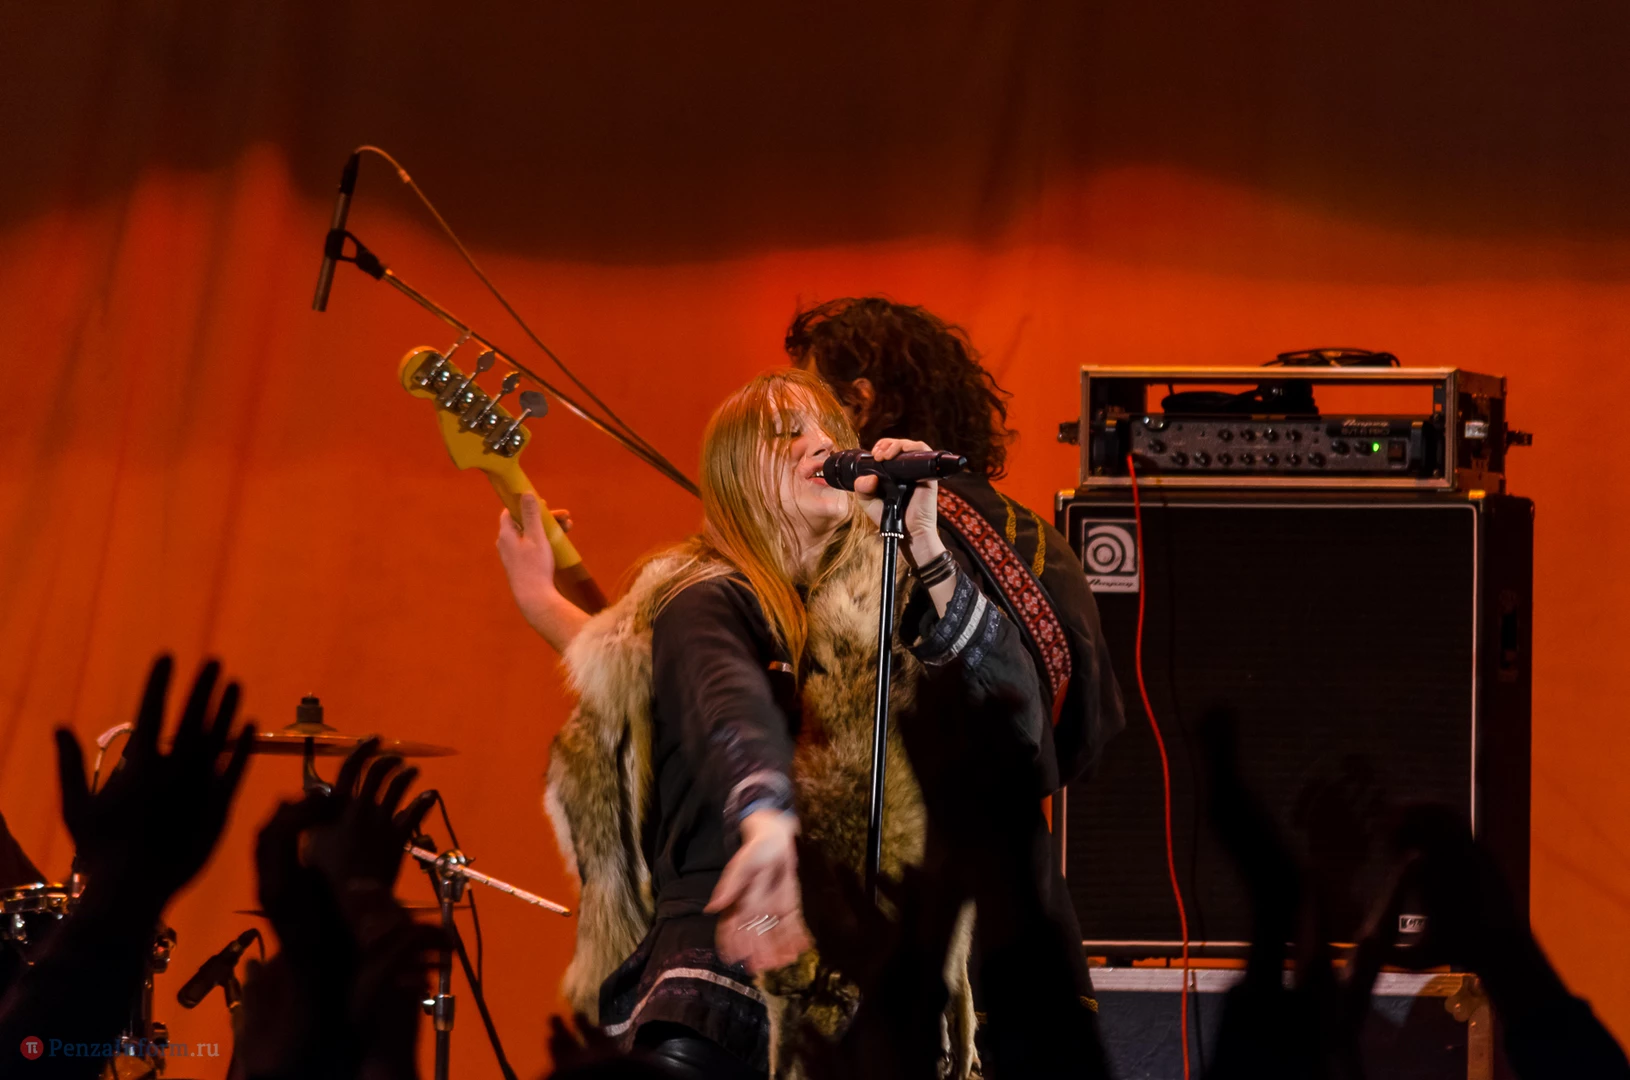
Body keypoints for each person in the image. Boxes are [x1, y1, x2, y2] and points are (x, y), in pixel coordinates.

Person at [507, 369, 1054, 1079]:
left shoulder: (885, 596)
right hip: (731, 971)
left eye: (827, 430)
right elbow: (723, 698)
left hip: (872, 988)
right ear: (736, 476)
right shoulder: (700, 595)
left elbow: (1021, 729)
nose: (818, 444)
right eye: (787, 434)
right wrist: (763, 815)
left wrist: (926, 543)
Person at [784, 297, 1124, 1039]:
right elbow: (1079, 740)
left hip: (891, 928)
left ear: (859, 401)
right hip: (1015, 922)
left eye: (805, 412)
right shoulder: (1040, 542)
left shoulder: (852, 545)